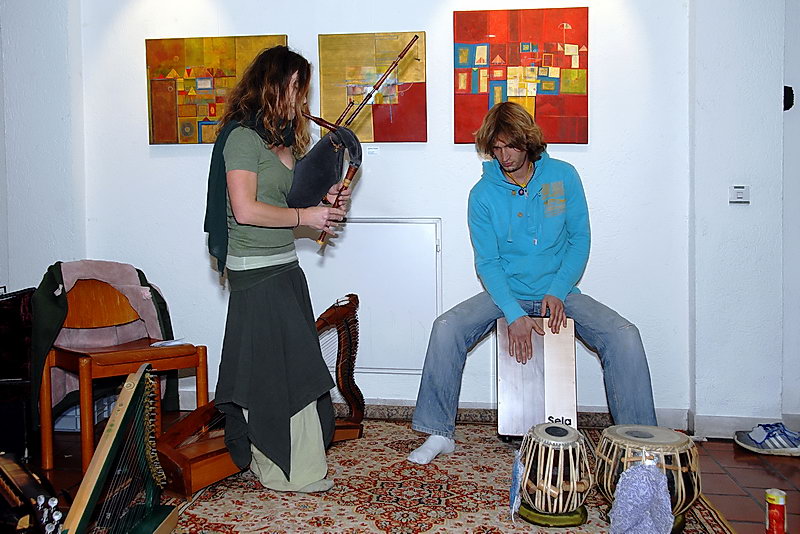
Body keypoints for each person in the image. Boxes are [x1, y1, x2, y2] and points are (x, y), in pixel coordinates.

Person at [408, 101, 657, 465]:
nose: (504, 156)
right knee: (446, 328)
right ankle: (439, 433)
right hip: (505, 293)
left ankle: (638, 445)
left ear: (528, 142)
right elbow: (487, 262)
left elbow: (579, 240)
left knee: (625, 336)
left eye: (511, 146)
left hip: (559, 291)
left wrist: (557, 290)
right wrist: (513, 313)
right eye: (496, 148)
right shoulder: (482, 194)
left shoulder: (563, 176)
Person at [205, 45, 350, 492]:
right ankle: (284, 470)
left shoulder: (282, 141)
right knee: (273, 373)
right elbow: (246, 210)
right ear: (272, 86)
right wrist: (307, 216)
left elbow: (285, 206)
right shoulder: (240, 139)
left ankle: (292, 463)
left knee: (293, 369)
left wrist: (323, 205)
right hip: (256, 272)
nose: (301, 99)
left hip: (285, 266)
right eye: (296, 88)